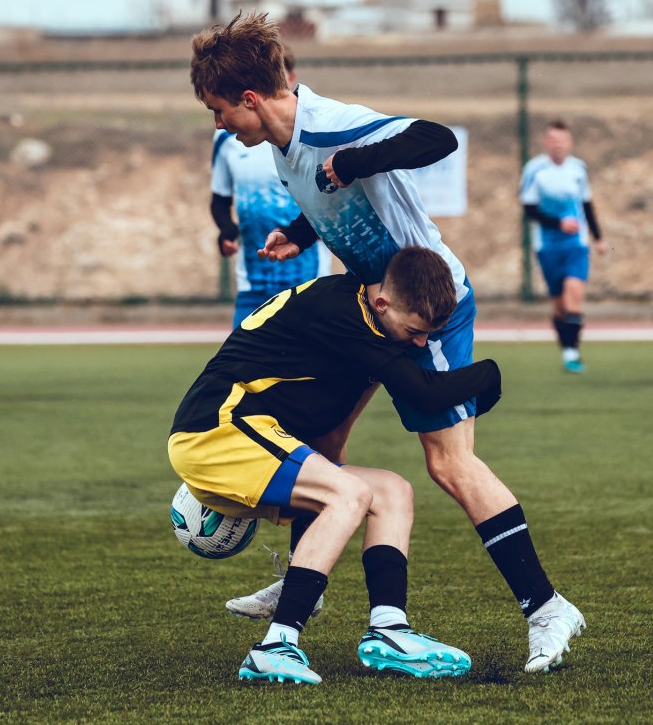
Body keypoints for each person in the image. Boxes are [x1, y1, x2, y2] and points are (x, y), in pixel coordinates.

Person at [191, 12, 585, 674]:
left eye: (219, 109)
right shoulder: (284, 143)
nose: (218, 124)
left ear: (251, 99)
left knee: (449, 464)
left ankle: (547, 607)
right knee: (323, 444)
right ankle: (301, 592)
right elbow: (335, 199)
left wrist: (357, 158)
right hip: (371, 308)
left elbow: (433, 138)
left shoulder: (330, 125)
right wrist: (300, 231)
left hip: (424, 305)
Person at [169, 247, 502, 683]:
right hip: (216, 432)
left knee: (391, 491)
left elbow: (328, 446)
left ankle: (389, 630)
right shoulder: (341, 311)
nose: (420, 343)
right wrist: (492, 374)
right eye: (415, 331)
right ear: (382, 303)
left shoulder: (369, 319)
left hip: (255, 435)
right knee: (349, 493)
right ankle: (275, 646)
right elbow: (425, 392)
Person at [210, 51, 321, 328]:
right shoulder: (228, 136)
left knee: (308, 367)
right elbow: (219, 199)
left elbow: (330, 201)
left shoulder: (313, 131)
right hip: (254, 283)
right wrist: (227, 229)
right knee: (240, 368)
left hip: (307, 281)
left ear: (292, 79)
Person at [519, 120, 607, 373]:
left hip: (576, 244)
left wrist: (598, 238)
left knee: (574, 294)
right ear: (547, 142)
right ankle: (567, 347)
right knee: (560, 306)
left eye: (562, 140)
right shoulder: (535, 169)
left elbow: (587, 205)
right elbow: (529, 209)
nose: (558, 145)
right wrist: (558, 223)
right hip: (547, 246)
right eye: (553, 140)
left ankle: (572, 353)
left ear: (570, 143)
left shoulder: (578, 169)